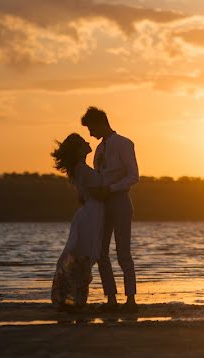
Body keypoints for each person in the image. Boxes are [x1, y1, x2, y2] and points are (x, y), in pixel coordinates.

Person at [81, 106, 140, 312]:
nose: (90, 133)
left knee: (123, 252)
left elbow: (133, 176)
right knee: (101, 252)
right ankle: (111, 299)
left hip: (120, 201)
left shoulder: (124, 143)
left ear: (100, 123)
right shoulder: (98, 150)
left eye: (90, 128)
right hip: (102, 204)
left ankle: (131, 299)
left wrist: (111, 189)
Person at [50, 133, 104, 311]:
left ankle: (74, 298)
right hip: (91, 213)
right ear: (79, 150)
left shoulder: (81, 168)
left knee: (83, 252)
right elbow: (97, 190)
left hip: (91, 212)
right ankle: (73, 298)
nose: (88, 142)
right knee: (83, 252)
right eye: (83, 142)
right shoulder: (81, 168)